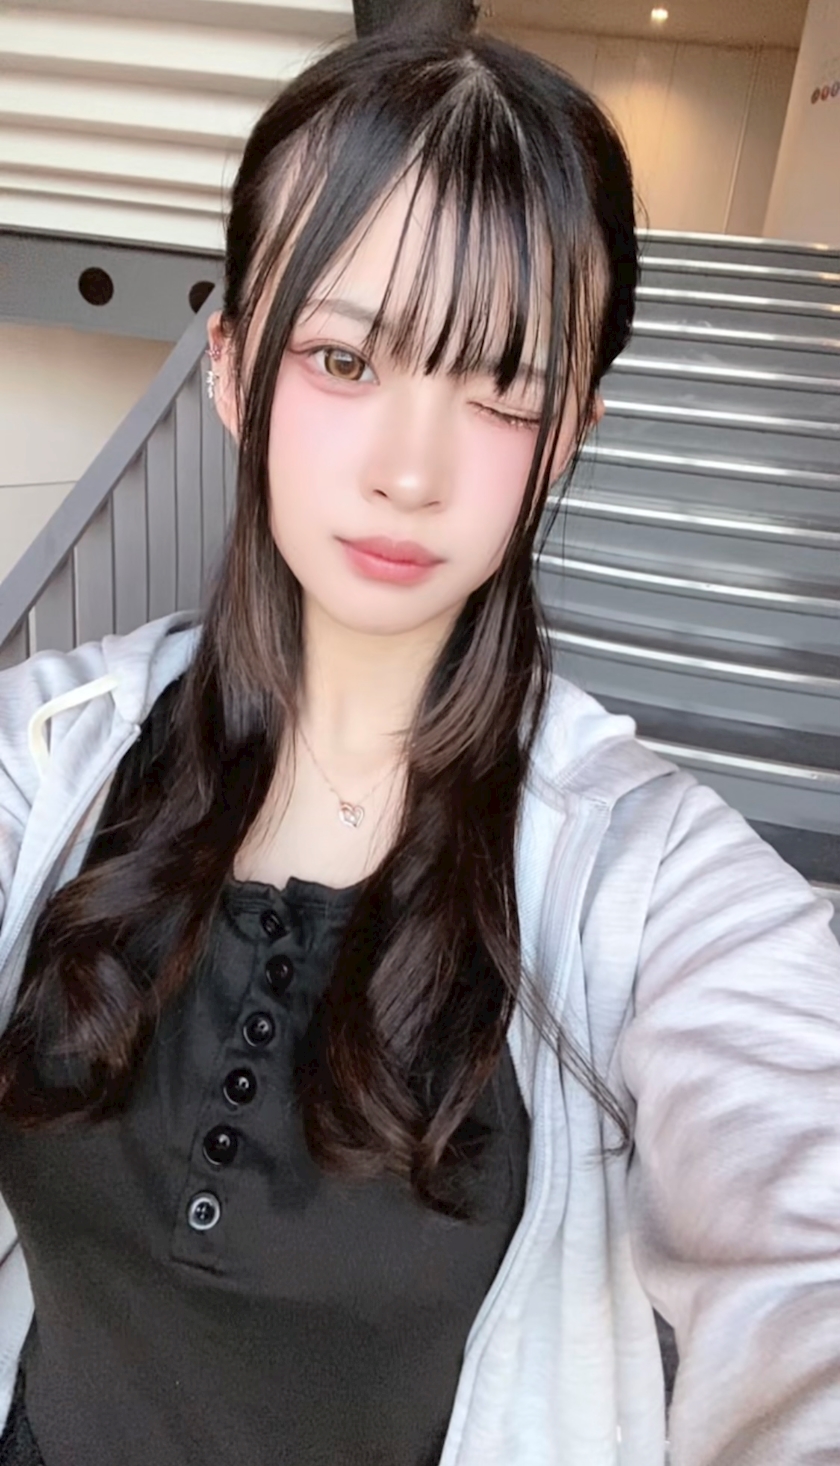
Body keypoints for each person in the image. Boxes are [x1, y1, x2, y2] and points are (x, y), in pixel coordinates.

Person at [0, 26, 838, 1466]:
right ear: (230, 366)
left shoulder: (645, 881)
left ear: (567, 430)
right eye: (345, 357)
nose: (412, 469)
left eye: (502, 389)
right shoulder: (49, 747)